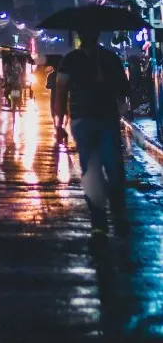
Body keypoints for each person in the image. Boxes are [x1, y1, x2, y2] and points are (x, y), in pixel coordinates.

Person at [55, 28, 130, 235]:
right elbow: (124, 91)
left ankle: (107, 216)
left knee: (99, 168)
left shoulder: (77, 59)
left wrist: (59, 125)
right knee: (105, 167)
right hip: (93, 120)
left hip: (93, 120)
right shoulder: (106, 58)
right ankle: (108, 215)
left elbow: (61, 92)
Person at [46, 65, 68, 142]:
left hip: (54, 97)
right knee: (63, 113)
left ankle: (58, 128)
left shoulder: (51, 75)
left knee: (54, 113)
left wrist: (52, 85)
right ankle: (62, 129)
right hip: (63, 97)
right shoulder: (65, 75)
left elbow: (47, 86)